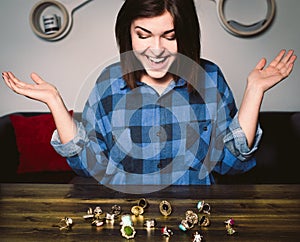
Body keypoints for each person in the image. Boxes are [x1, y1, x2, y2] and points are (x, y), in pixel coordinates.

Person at [2, 0, 296, 187]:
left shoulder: (210, 78)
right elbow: (88, 168)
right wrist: (55, 102)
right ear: (127, 35)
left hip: (197, 217)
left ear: (187, 36)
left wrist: (254, 91)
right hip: (126, 219)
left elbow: (231, 166)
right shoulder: (107, 83)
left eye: (169, 36)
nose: (156, 50)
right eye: (143, 35)